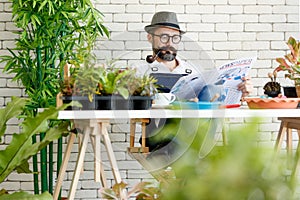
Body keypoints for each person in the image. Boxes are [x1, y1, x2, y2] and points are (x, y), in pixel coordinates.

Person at [134, 11, 253, 161]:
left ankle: (189, 154)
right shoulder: (140, 71)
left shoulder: (192, 71)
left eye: (175, 38)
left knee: (213, 90)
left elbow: (217, 105)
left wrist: (239, 91)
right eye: (164, 37)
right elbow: (132, 106)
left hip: (191, 136)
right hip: (160, 134)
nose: (170, 43)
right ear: (150, 37)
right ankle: (192, 157)